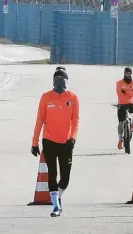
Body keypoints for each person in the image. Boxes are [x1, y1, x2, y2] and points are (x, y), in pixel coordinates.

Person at [31, 67, 80, 217]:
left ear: (66, 81)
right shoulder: (46, 97)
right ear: (53, 81)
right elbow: (40, 119)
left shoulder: (73, 98)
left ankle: (58, 196)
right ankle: (56, 206)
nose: (59, 82)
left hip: (66, 141)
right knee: (52, 173)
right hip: (49, 140)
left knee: (65, 177)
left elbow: (76, 120)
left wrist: (73, 137)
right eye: (56, 79)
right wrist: (35, 142)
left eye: (62, 79)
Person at [115, 67, 133, 150]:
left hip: (131, 103)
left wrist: (126, 92)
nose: (128, 75)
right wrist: (130, 93)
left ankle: (132, 123)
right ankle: (120, 140)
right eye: (127, 73)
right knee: (121, 124)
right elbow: (119, 93)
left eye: (130, 73)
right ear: (124, 73)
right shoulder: (119, 83)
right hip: (121, 104)